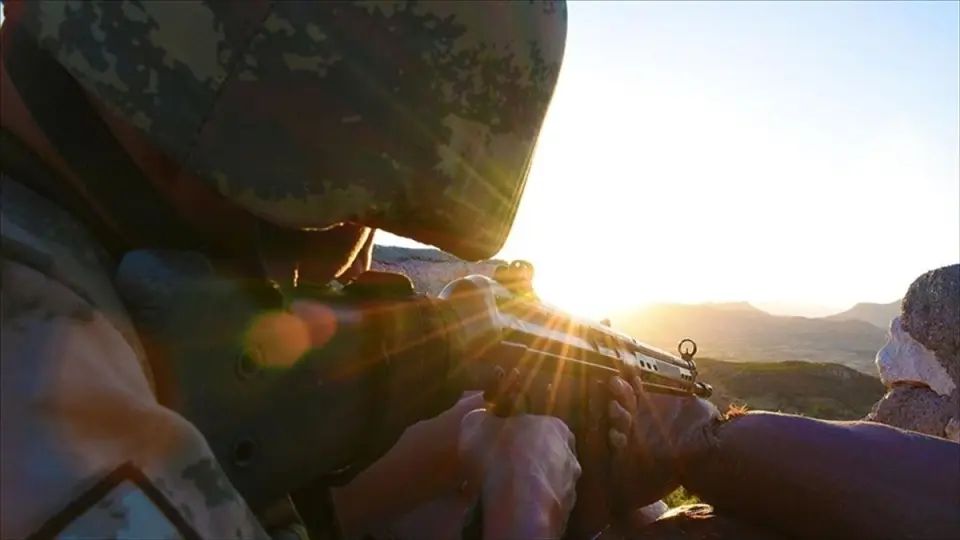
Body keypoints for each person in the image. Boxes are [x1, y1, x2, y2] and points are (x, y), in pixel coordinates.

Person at [0, 1, 571, 539]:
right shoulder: (50, 396)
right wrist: (528, 508)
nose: (358, 259)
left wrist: (464, 444)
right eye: (352, 212)